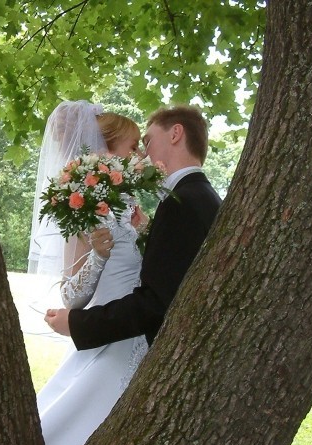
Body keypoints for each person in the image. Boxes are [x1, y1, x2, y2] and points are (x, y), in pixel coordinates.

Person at [29, 100, 148, 445]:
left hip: (137, 325)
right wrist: (98, 255)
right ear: (106, 152)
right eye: (133, 146)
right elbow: (70, 296)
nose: (140, 154)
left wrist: (143, 232)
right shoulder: (84, 209)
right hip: (108, 331)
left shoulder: (129, 205)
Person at [44, 105, 222, 349]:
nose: (142, 155)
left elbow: (158, 300)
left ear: (175, 134)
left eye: (146, 142)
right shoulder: (197, 196)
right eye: (136, 146)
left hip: (131, 336)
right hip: (124, 339)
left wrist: (79, 325)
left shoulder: (182, 202)